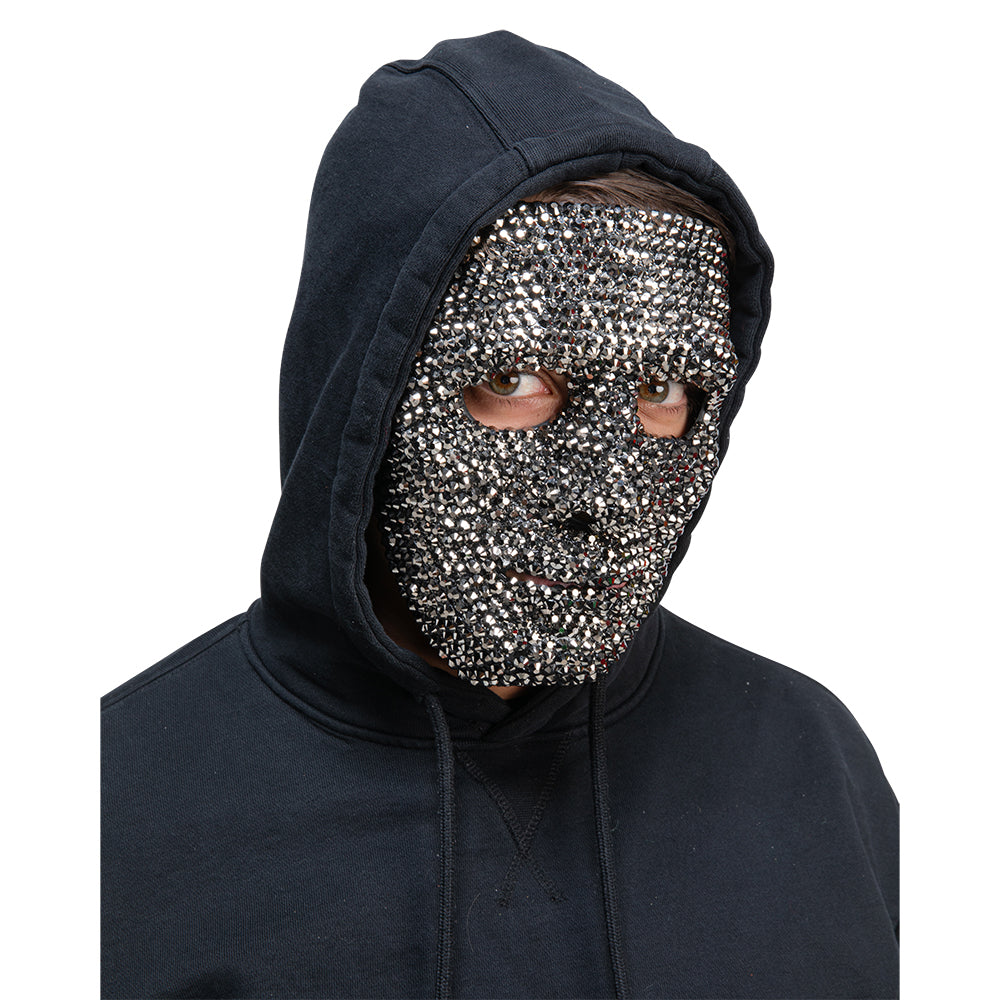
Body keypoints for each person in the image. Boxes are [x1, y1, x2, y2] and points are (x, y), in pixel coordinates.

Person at [101, 31, 899, 1000]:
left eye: (661, 388)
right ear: (366, 382)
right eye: (516, 378)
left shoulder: (811, 763)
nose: (602, 494)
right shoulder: (112, 811)